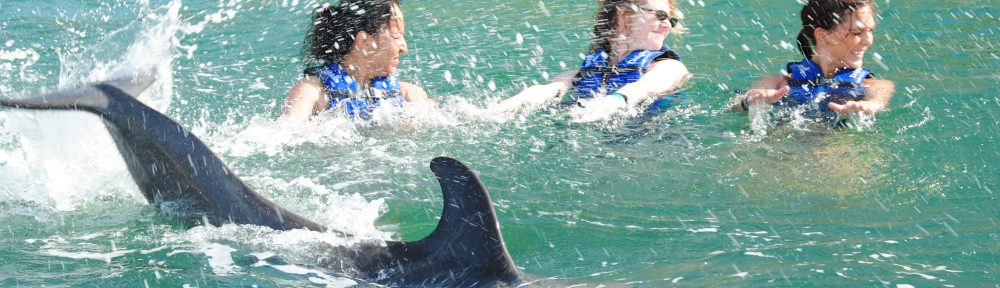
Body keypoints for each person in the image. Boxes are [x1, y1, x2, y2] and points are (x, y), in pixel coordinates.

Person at [492, 0, 690, 122]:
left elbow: (644, 88)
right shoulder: (590, 69)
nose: (666, 25)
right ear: (624, 14)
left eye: (671, 20)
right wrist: (503, 108)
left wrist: (610, 103)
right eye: (660, 15)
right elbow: (548, 89)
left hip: (650, 143)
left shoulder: (669, 67)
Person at [731, 0, 894, 125]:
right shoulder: (778, 84)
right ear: (822, 36)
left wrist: (870, 106)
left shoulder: (871, 86)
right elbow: (734, 106)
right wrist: (748, 102)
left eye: (870, 30)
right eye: (857, 32)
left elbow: (880, 97)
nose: (868, 40)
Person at [281, 0, 430, 120]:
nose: (404, 47)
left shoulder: (409, 95)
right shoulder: (311, 92)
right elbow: (287, 136)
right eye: (397, 35)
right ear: (364, 40)